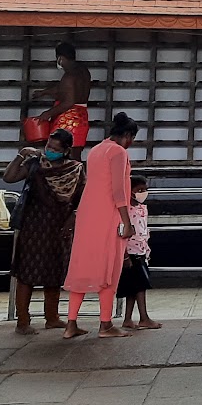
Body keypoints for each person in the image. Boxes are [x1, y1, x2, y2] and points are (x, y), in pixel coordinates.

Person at [63, 113, 139, 339]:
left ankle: (71, 323)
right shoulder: (118, 152)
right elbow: (118, 190)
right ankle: (105, 324)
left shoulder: (95, 150)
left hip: (88, 214)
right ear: (127, 135)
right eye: (132, 138)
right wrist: (126, 221)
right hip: (109, 214)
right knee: (110, 267)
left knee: (82, 265)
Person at [4, 129, 84, 334]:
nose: (49, 151)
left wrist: (71, 222)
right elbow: (9, 177)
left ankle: (52, 317)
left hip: (59, 227)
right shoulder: (34, 164)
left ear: (66, 150)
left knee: (55, 271)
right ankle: (23, 321)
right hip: (34, 227)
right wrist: (22, 154)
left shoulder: (75, 169)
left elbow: (81, 200)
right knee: (26, 274)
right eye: (48, 146)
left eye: (55, 149)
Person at [31, 41, 93, 148]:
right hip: (82, 117)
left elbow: (68, 102)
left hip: (68, 120)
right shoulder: (83, 71)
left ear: (61, 58)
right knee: (76, 153)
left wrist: (48, 113)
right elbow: (66, 89)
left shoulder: (68, 77)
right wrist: (44, 92)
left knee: (60, 153)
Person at [119, 173, 158, 330]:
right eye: (139, 189)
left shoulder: (141, 208)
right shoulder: (125, 211)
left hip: (141, 251)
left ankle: (128, 318)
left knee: (133, 288)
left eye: (145, 189)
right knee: (140, 286)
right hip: (130, 252)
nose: (143, 193)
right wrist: (125, 255)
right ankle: (144, 317)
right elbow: (122, 233)